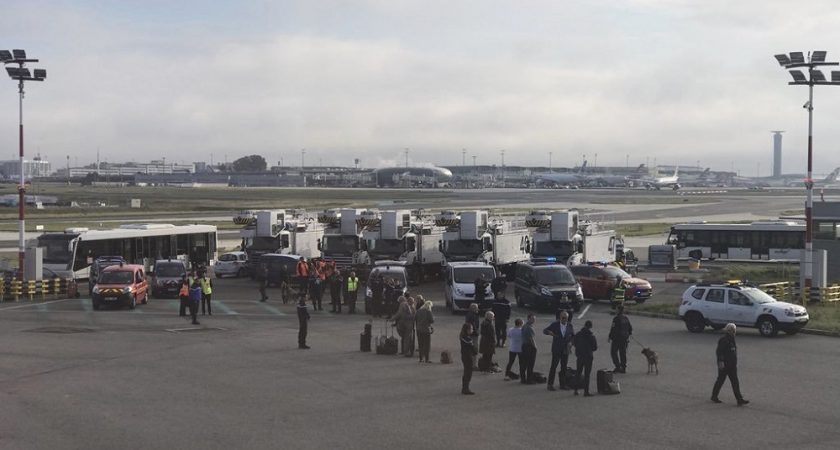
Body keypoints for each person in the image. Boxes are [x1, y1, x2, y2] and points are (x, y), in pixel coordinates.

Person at [711, 323, 749, 406]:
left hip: (732, 365)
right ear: (729, 331)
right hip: (725, 365)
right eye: (732, 330)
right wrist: (721, 362)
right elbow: (719, 352)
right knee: (720, 381)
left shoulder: (732, 339)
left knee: (735, 382)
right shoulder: (723, 340)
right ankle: (714, 396)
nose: (734, 332)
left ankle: (739, 399)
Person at [544, 310, 575, 391]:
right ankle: (550, 384)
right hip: (556, 349)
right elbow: (545, 330)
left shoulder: (570, 325)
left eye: (566, 318)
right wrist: (550, 333)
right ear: (560, 317)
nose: (564, 319)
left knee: (564, 367)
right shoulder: (555, 324)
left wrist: (571, 342)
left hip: (565, 350)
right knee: (553, 367)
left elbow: (573, 336)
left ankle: (563, 384)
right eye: (563, 318)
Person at [573, 320, 597, 396]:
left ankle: (576, 390)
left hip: (580, 356)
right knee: (587, 374)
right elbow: (595, 347)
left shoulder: (578, 334)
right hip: (588, 356)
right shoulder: (591, 336)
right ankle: (586, 391)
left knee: (578, 373)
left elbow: (574, 343)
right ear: (590, 327)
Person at [608, 304, 633, 373]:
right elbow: (630, 328)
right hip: (624, 339)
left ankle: (618, 366)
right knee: (623, 353)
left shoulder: (616, 319)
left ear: (618, 310)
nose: (615, 310)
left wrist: (610, 337)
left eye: (616, 309)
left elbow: (613, 329)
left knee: (613, 353)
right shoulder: (626, 318)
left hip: (617, 339)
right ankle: (623, 368)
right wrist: (629, 334)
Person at [460, 323, 478, 395]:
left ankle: (465, 387)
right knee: (468, 372)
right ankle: (465, 388)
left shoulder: (464, 337)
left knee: (467, 372)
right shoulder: (466, 338)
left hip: (466, 355)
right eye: (471, 329)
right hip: (467, 356)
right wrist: (474, 350)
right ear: (467, 330)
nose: (472, 330)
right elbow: (473, 348)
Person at [520, 314, 537, 384]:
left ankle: (523, 379)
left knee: (524, 363)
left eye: (534, 319)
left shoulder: (524, 326)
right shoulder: (529, 328)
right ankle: (529, 380)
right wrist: (535, 347)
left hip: (524, 346)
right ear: (528, 319)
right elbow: (531, 339)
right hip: (529, 347)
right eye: (532, 319)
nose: (534, 320)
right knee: (530, 364)